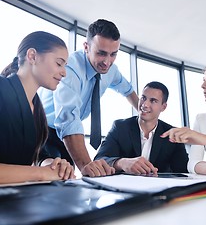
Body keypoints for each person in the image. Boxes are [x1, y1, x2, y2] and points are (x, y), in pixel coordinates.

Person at [0, 31, 75, 187]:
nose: (64, 72)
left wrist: (50, 165)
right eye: (59, 63)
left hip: (8, 201)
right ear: (32, 56)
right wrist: (39, 174)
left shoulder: (37, 110)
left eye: (65, 66)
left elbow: (35, 154)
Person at [38, 19, 139, 177]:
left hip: (66, 137)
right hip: (42, 129)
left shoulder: (111, 71)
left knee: (67, 183)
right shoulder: (70, 68)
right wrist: (85, 165)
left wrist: (144, 115)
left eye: (113, 54)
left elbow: (127, 89)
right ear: (86, 47)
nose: (107, 62)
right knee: (48, 178)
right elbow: (68, 117)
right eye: (101, 53)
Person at [94, 81, 188, 175]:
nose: (145, 104)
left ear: (163, 107)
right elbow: (100, 159)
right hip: (125, 187)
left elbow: (184, 170)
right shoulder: (120, 127)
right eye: (143, 98)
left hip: (160, 187)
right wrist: (122, 163)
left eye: (153, 101)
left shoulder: (172, 134)